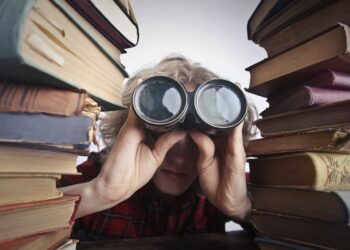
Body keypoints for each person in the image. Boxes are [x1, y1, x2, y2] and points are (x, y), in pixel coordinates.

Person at [60, 55, 257, 240]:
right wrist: (98, 193)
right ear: (132, 130)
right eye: (163, 131)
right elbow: (28, 216)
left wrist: (241, 208)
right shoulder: (95, 174)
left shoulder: (227, 181)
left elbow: (286, 232)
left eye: (199, 140)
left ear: (221, 144)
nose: (180, 158)